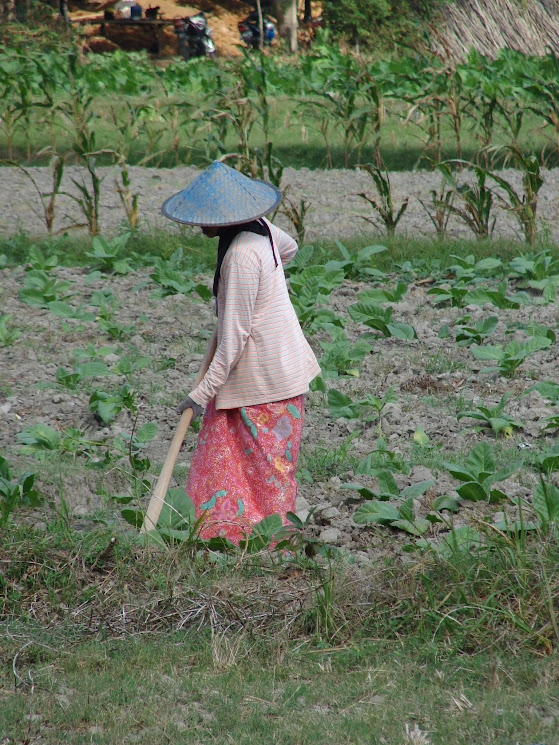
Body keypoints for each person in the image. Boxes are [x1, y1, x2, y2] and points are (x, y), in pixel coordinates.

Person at [161, 161, 320, 544]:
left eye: (206, 217)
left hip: (267, 382)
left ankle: (271, 545)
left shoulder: (242, 257)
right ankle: (228, 539)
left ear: (225, 217)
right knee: (227, 461)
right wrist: (267, 290)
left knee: (268, 473)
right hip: (267, 372)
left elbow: (232, 342)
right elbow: (290, 247)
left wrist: (199, 396)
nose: (200, 224)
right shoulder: (261, 230)